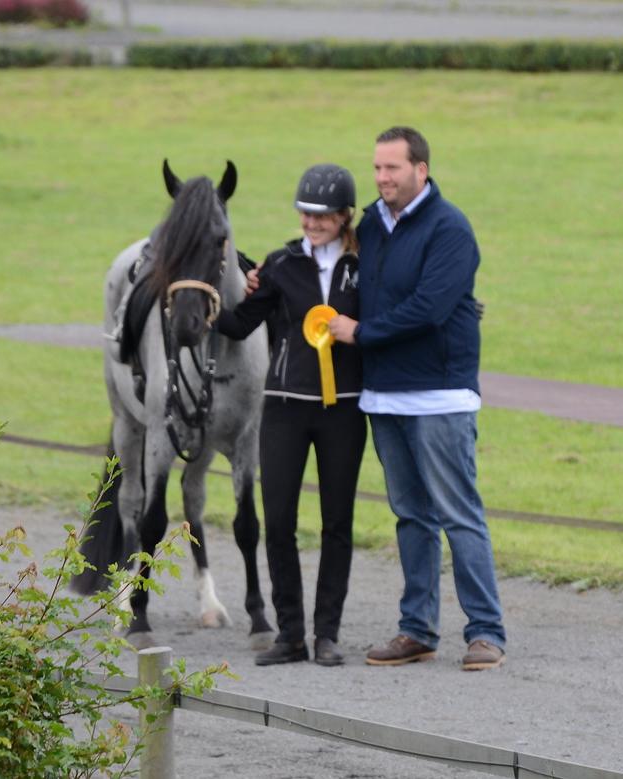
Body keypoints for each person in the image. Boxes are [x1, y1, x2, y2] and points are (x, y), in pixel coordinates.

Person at [328, 127, 507, 671]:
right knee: (411, 517)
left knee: (459, 516)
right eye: (378, 169)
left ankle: (485, 633)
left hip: (439, 398)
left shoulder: (450, 229)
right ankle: (417, 629)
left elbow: (429, 309)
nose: (383, 178)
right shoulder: (372, 228)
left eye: (394, 169)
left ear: (421, 170)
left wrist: (359, 333)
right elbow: (329, 267)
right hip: (385, 399)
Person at [216, 164, 366, 667]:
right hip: (282, 410)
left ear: (345, 217)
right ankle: (290, 634)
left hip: (343, 411)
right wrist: (205, 295)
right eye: (306, 213)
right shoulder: (280, 264)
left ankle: (327, 634)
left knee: (336, 523)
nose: (312, 222)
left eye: (323, 215)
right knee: (279, 521)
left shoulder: (364, 267)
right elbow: (240, 325)